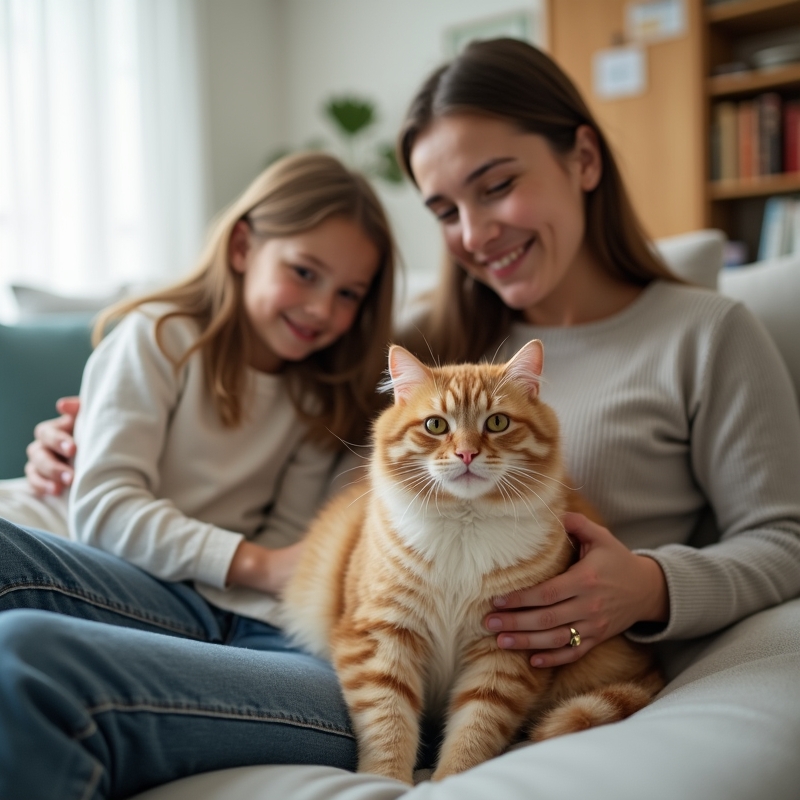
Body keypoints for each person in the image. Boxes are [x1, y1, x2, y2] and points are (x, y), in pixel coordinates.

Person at [12, 38, 800, 800]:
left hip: (456, 667)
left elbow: (785, 537)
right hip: (330, 615)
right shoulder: (433, 337)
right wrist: (85, 443)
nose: (474, 233)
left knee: (32, 661)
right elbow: (311, 464)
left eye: (495, 186)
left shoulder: (706, 332)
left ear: (584, 160)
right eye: (444, 209)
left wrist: (652, 585)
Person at [0, 151, 396, 799]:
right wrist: (261, 563)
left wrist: (270, 570)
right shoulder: (158, 336)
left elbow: (292, 557)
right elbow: (103, 510)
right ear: (243, 246)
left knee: (26, 654)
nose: (323, 309)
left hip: (232, 613)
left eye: (349, 293)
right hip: (155, 585)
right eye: (304, 272)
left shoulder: (320, 394)